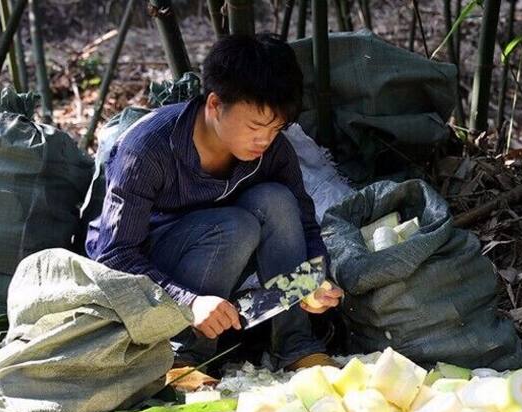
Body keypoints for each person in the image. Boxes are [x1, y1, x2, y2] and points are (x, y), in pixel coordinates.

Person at [86, 33, 343, 370]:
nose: (264, 140)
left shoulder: (273, 152)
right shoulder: (147, 149)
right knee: (234, 227)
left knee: (277, 201)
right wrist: (188, 302)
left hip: (225, 261)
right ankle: (185, 355)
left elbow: (306, 225)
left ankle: (296, 344)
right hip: (149, 276)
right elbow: (115, 255)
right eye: (255, 126)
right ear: (214, 105)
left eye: (275, 128)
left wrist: (316, 278)